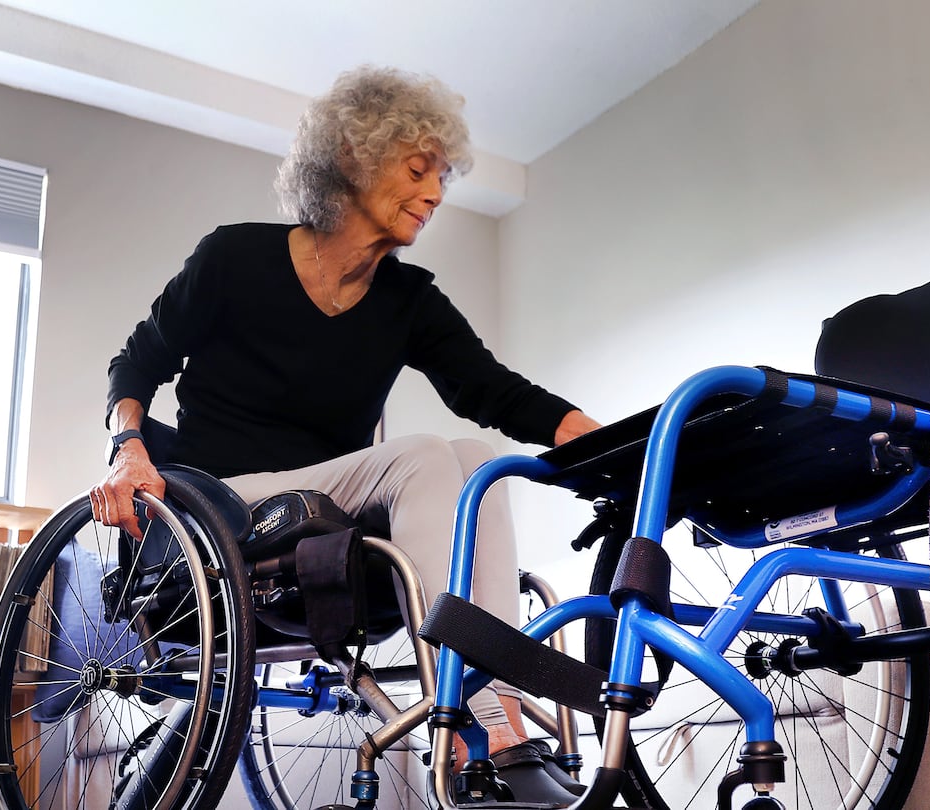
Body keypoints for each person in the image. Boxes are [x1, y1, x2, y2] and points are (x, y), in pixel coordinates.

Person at [90, 65, 600, 806]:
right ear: (354, 158)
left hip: (327, 513)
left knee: (475, 457)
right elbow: (135, 363)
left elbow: (493, 392)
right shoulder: (234, 258)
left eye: (442, 179)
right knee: (426, 454)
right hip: (224, 501)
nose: (434, 193)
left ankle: (503, 724)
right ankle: (477, 728)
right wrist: (128, 450)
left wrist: (607, 441)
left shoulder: (408, 300)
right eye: (418, 169)